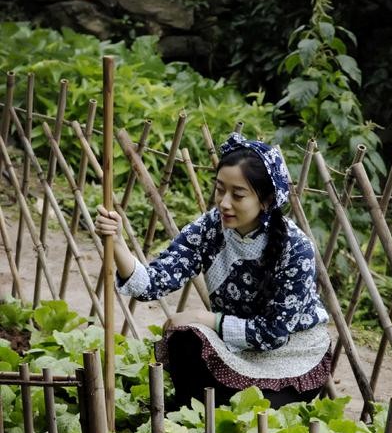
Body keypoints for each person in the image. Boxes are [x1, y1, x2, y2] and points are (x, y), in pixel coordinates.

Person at [95, 132, 331, 409]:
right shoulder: (211, 227)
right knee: (184, 340)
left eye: (238, 194)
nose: (224, 203)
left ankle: (206, 409)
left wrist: (205, 318)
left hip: (290, 358)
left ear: (266, 200)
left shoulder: (295, 247)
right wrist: (119, 243)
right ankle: (186, 413)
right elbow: (153, 283)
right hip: (234, 350)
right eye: (220, 190)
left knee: (251, 412)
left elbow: (273, 334)